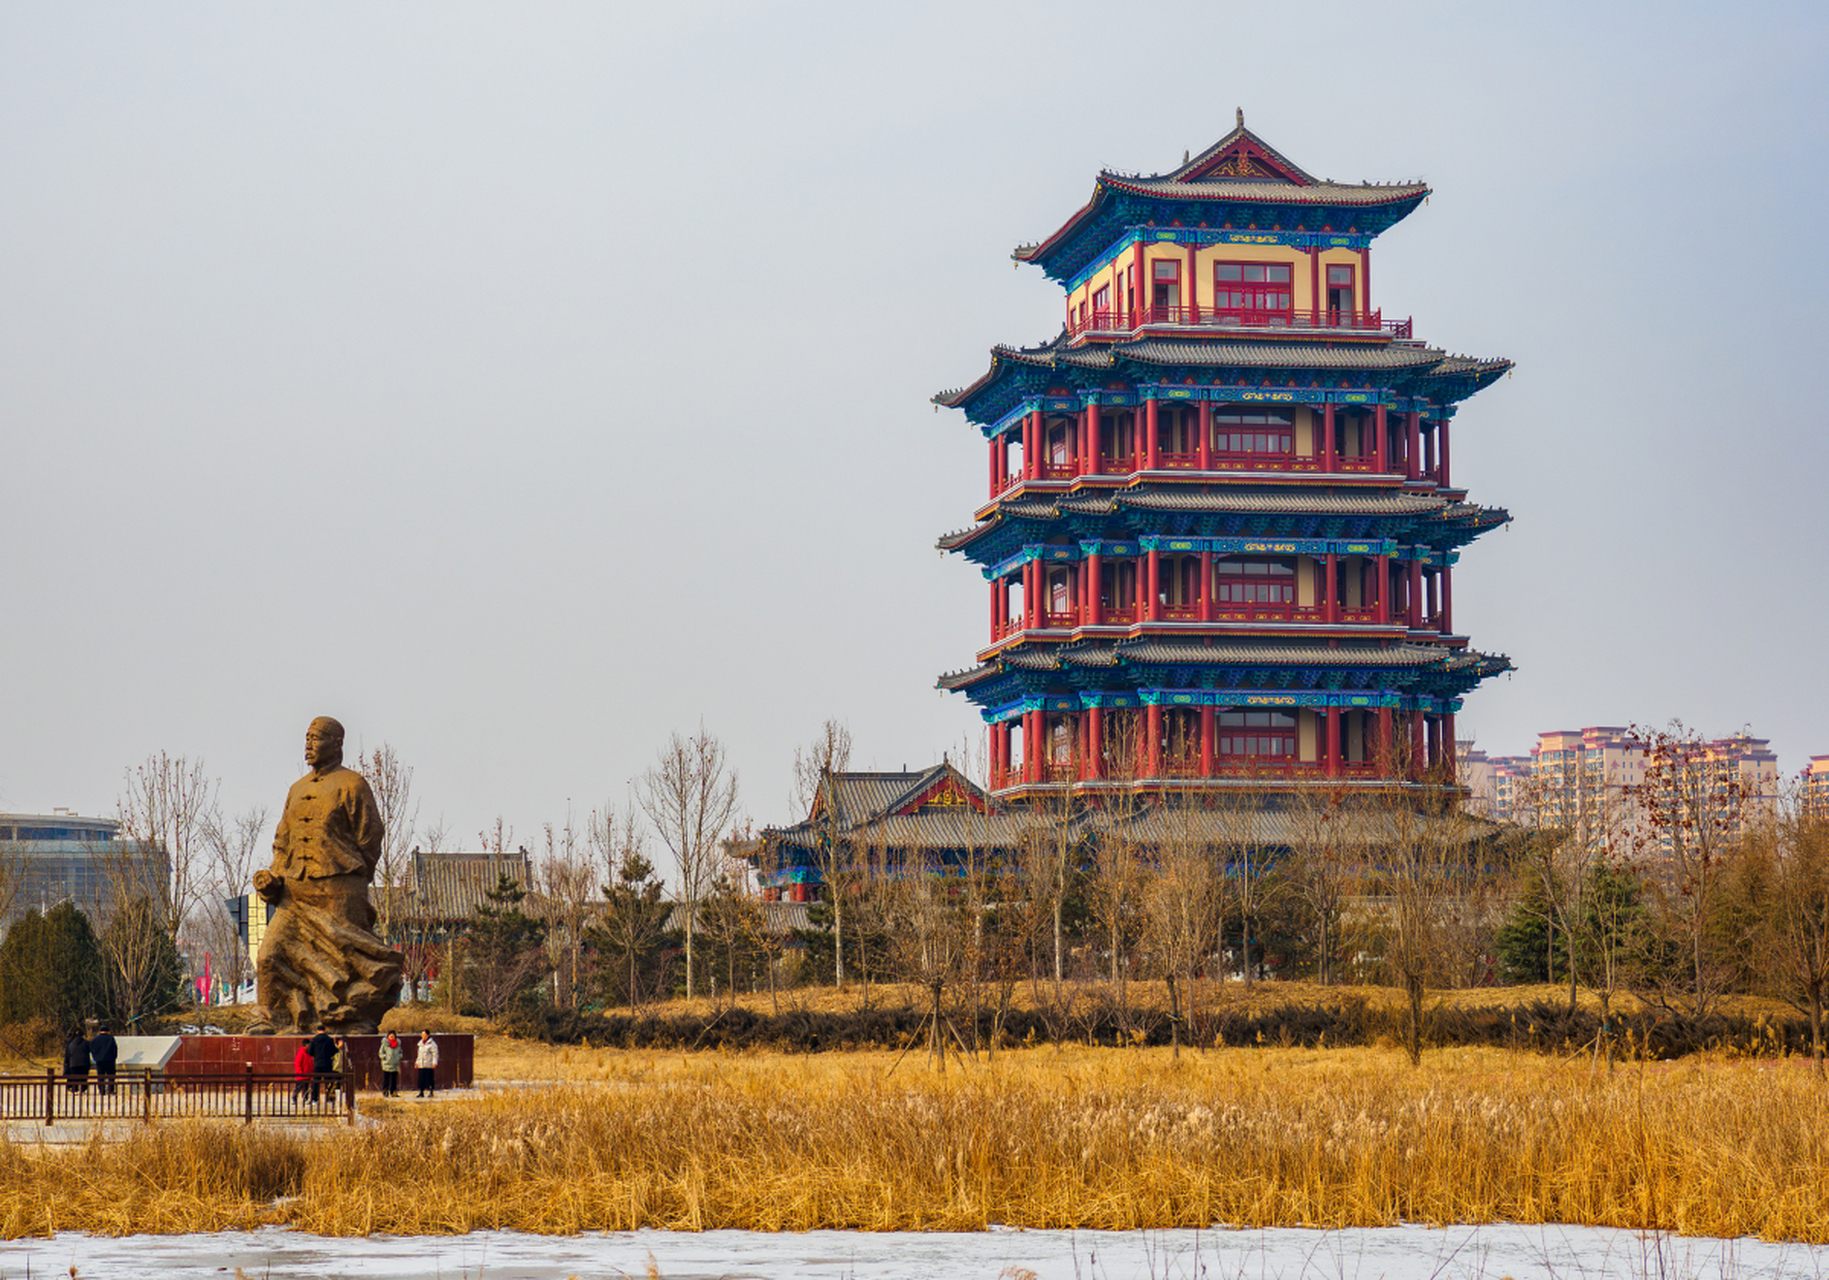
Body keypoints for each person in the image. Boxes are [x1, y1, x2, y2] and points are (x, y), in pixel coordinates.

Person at [247, 716, 404, 1035]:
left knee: (343, 959)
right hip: (296, 891)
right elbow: (283, 841)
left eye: (316, 738)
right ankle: (269, 1016)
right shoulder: (297, 789)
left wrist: (355, 875)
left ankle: (347, 1018)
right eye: (306, 738)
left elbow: (370, 835)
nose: (308, 744)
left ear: (337, 744)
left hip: (339, 888)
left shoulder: (352, 784)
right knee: (269, 954)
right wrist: (273, 878)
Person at [306, 1022, 337, 1105]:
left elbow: (309, 1051)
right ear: (324, 1030)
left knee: (316, 1082)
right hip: (327, 1063)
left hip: (317, 1063)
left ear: (317, 1031)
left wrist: (316, 1055)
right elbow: (334, 1051)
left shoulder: (314, 1040)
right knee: (328, 1081)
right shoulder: (329, 1040)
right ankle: (329, 1099)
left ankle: (315, 1099)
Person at [89, 1023, 118, 1096]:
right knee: (111, 1076)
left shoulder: (95, 1039)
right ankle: (110, 1090)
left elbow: (92, 1049)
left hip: (99, 1060)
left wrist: (95, 1057)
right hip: (109, 1060)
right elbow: (114, 1049)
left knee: (100, 1076)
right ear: (108, 1031)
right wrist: (113, 1057)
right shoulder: (111, 1038)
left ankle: (102, 1091)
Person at [63, 1028, 90, 1095]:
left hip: (74, 1063)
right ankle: (83, 1089)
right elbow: (90, 1050)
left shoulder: (71, 1043)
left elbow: (68, 1054)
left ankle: (75, 1089)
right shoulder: (86, 1042)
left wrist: (66, 1063)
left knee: (75, 1077)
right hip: (84, 1063)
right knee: (84, 1077)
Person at [414, 1029, 439, 1098]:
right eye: (422, 1035)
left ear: (428, 1035)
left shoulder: (432, 1044)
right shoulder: (420, 1044)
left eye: (424, 1035)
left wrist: (434, 1063)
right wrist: (417, 1062)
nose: (423, 1036)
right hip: (421, 1064)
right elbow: (419, 1055)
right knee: (421, 1079)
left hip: (428, 1064)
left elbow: (435, 1054)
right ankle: (421, 1092)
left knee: (429, 1078)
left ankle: (431, 1092)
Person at [378, 1031, 404, 1098]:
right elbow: (381, 1053)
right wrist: (385, 1057)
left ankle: (393, 1092)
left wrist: (398, 1057)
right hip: (387, 1064)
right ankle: (385, 1091)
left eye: (393, 1036)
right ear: (388, 1037)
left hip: (395, 1064)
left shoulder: (397, 1044)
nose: (392, 1038)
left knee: (394, 1079)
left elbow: (400, 1052)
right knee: (386, 1079)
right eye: (391, 1036)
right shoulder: (384, 1044)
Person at [291, 1039, 313, 1105]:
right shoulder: (301, 1053)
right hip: (302, 1075)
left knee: (306, 1088)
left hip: (307, 1074)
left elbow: (310, 1063)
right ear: (307, 1045)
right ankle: (293, 1098)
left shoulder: (307, 1052)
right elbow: (297, 1063)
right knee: (298, 1087)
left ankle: (305, 1098)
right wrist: (300, 1073)